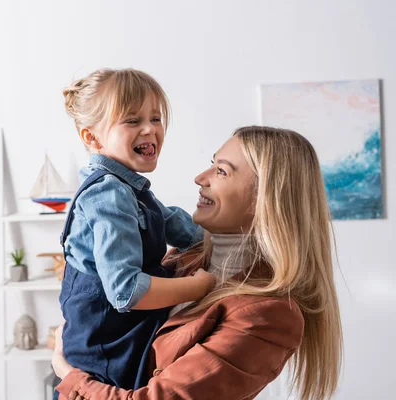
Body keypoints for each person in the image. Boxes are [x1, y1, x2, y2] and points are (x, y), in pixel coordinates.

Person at [52, 126, 343, 400]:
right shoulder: (184, 259)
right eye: (212, 164)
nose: (200, 177)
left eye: (221, 171)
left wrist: (70, 376)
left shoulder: (270, 315)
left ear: (264, 198)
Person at [57, 68, 216, 396]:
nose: (149, 129)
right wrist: (195, 287)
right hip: (105, 349)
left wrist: (229, 237)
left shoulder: (129, 188)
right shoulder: (107, 194)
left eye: (155, 118)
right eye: (132, 121)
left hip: (121, 337)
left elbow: (171, 221)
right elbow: (126, 291)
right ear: (92, 138)